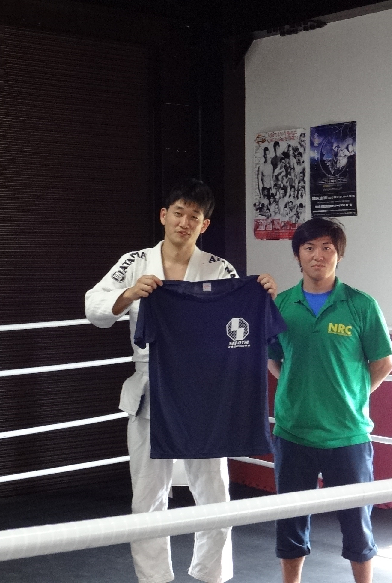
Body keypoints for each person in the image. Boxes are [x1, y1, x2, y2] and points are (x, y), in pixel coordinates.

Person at [85, 179, 277, 583]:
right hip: (151, 387)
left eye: (194, 216)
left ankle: (211, 574)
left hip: (206, 391)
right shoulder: (134, 262)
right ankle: (154, 577)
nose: (184, 222)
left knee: (214, 491)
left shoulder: (219, 268)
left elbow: (237, 319)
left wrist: (261, 293)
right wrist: (129, 295)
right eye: (178, 213)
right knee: (148, 494)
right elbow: (94, 307)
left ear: (204, 225)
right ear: (164, 215)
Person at [267, 218, 392, 583]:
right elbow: (273, 359)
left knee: (357, 524)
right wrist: (298, 389)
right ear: (297, 255)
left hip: (348, 435)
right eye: (309, 248)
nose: (318, 255)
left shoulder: (361, 305)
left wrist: (353, 396)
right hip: (294, 432)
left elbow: (383, 363)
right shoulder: (282, 305)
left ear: (339, 255)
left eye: (327, 248)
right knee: (290, 522)